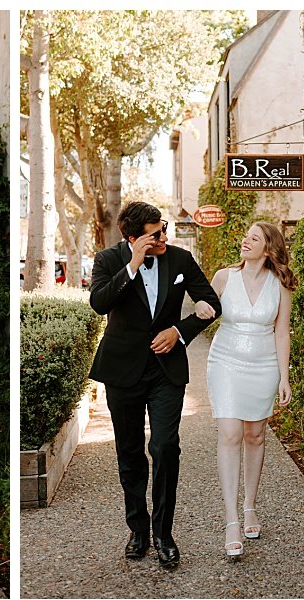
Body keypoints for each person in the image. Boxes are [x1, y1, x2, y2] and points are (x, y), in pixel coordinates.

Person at [87, 201, 221, 569]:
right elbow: (99, 302)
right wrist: (131, 266)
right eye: (155, 233)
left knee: (164, 447)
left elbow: (211, 302)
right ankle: (138, 531)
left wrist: (179, 330)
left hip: (166, 371)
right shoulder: (108, 260)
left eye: (163, 229)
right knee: (129, 454)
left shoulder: (180, 259)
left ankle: (164, 534)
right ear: (133, 239)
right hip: (122, 371)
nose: (164, 236)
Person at [196, 222, 295, 559]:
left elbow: (282, 333)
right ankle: (232, 521)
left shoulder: (280, 286)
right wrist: (199, 307)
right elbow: (204, 310)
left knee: (255, 436)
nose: (245, 240)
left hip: (264, 366)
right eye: (246, 236)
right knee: (230, 434)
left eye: (255, 238)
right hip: (225, 362)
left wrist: (284, 376)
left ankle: (250, 505)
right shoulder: (225, 277)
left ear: (269, 248)